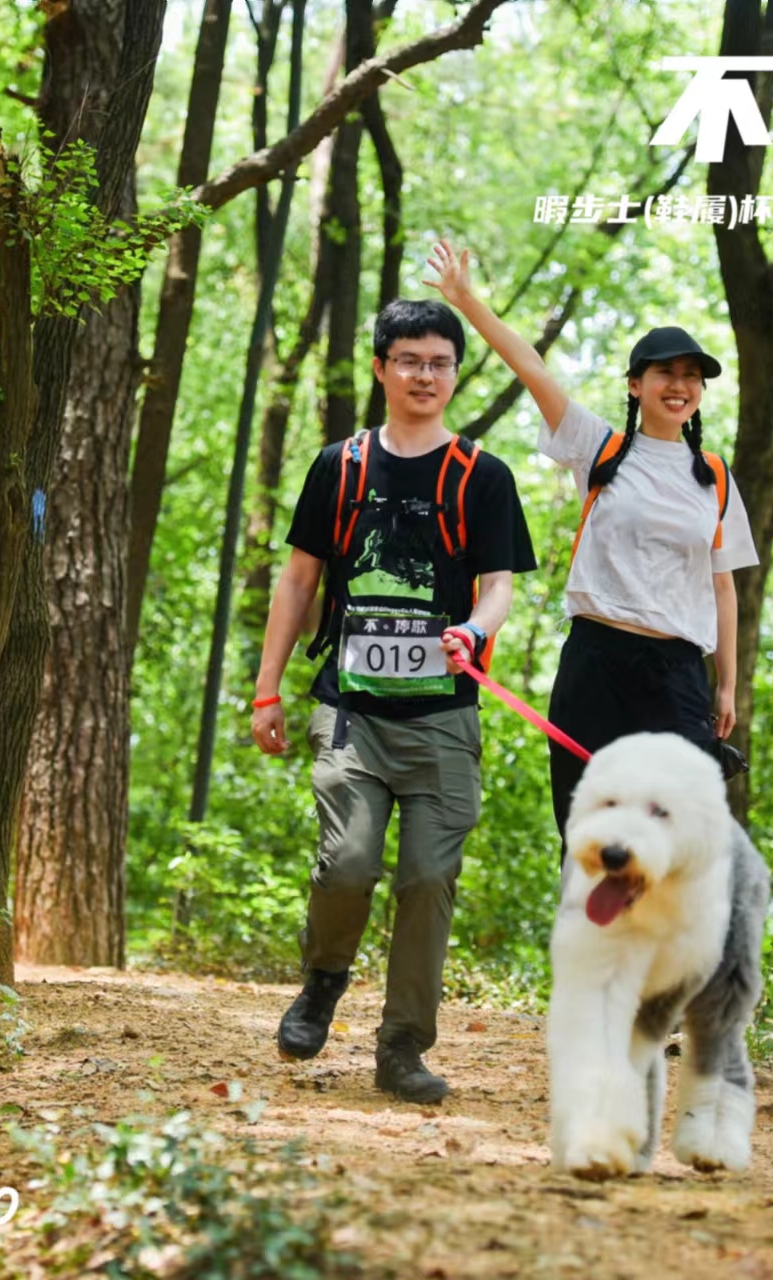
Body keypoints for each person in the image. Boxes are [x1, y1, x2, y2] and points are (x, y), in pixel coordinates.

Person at [250, 298, 537, 1103]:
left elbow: (499, 584)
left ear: (454, 372)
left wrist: (476, 632)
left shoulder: (483, 475)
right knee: (346, 865)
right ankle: (323, 980)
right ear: (381, 368)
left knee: (426, 880)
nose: (424, 375)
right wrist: (267, 688)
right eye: (408, 359)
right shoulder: (338, 467)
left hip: (444, 718)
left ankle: (403, 1047)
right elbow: (300, 579)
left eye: (440, 362)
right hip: (351, 711)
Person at [422, 238, 759, 851]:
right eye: (666, 373)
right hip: (596, 663)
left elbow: (723, 586)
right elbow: (532, 369)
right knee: (588, 833)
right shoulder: (599, 449)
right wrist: (466, 300)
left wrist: (727, 684)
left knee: (675, 840)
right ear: (636, 384)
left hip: (677, 673)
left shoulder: (714, 476)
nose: (679, 385)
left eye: (691, 377)